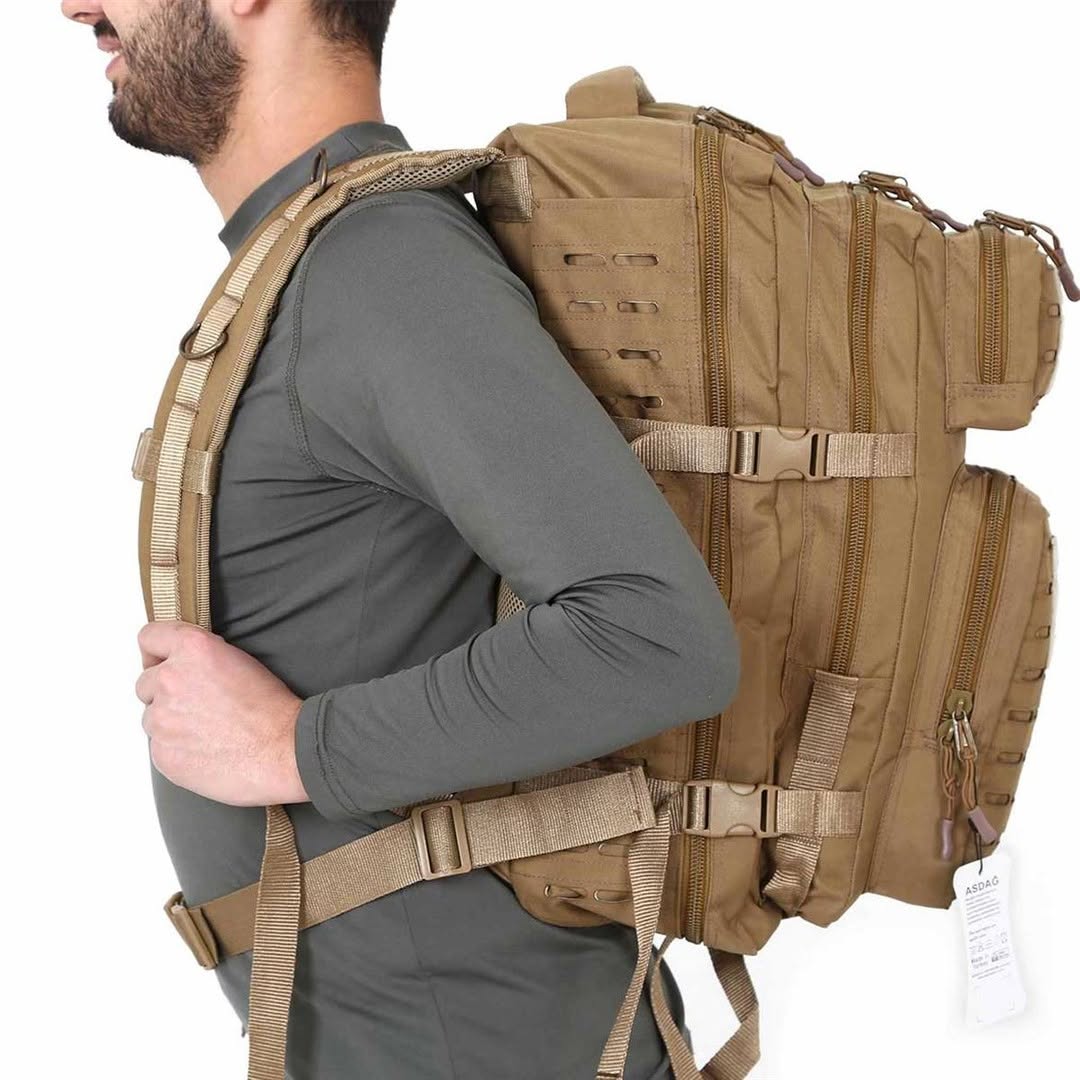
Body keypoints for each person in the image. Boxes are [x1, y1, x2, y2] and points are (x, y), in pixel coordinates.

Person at [60, 2, 740, 1076]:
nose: (71, 5)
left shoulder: (381, 264)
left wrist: (295, 747)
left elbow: (657, 634)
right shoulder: (315, 257)